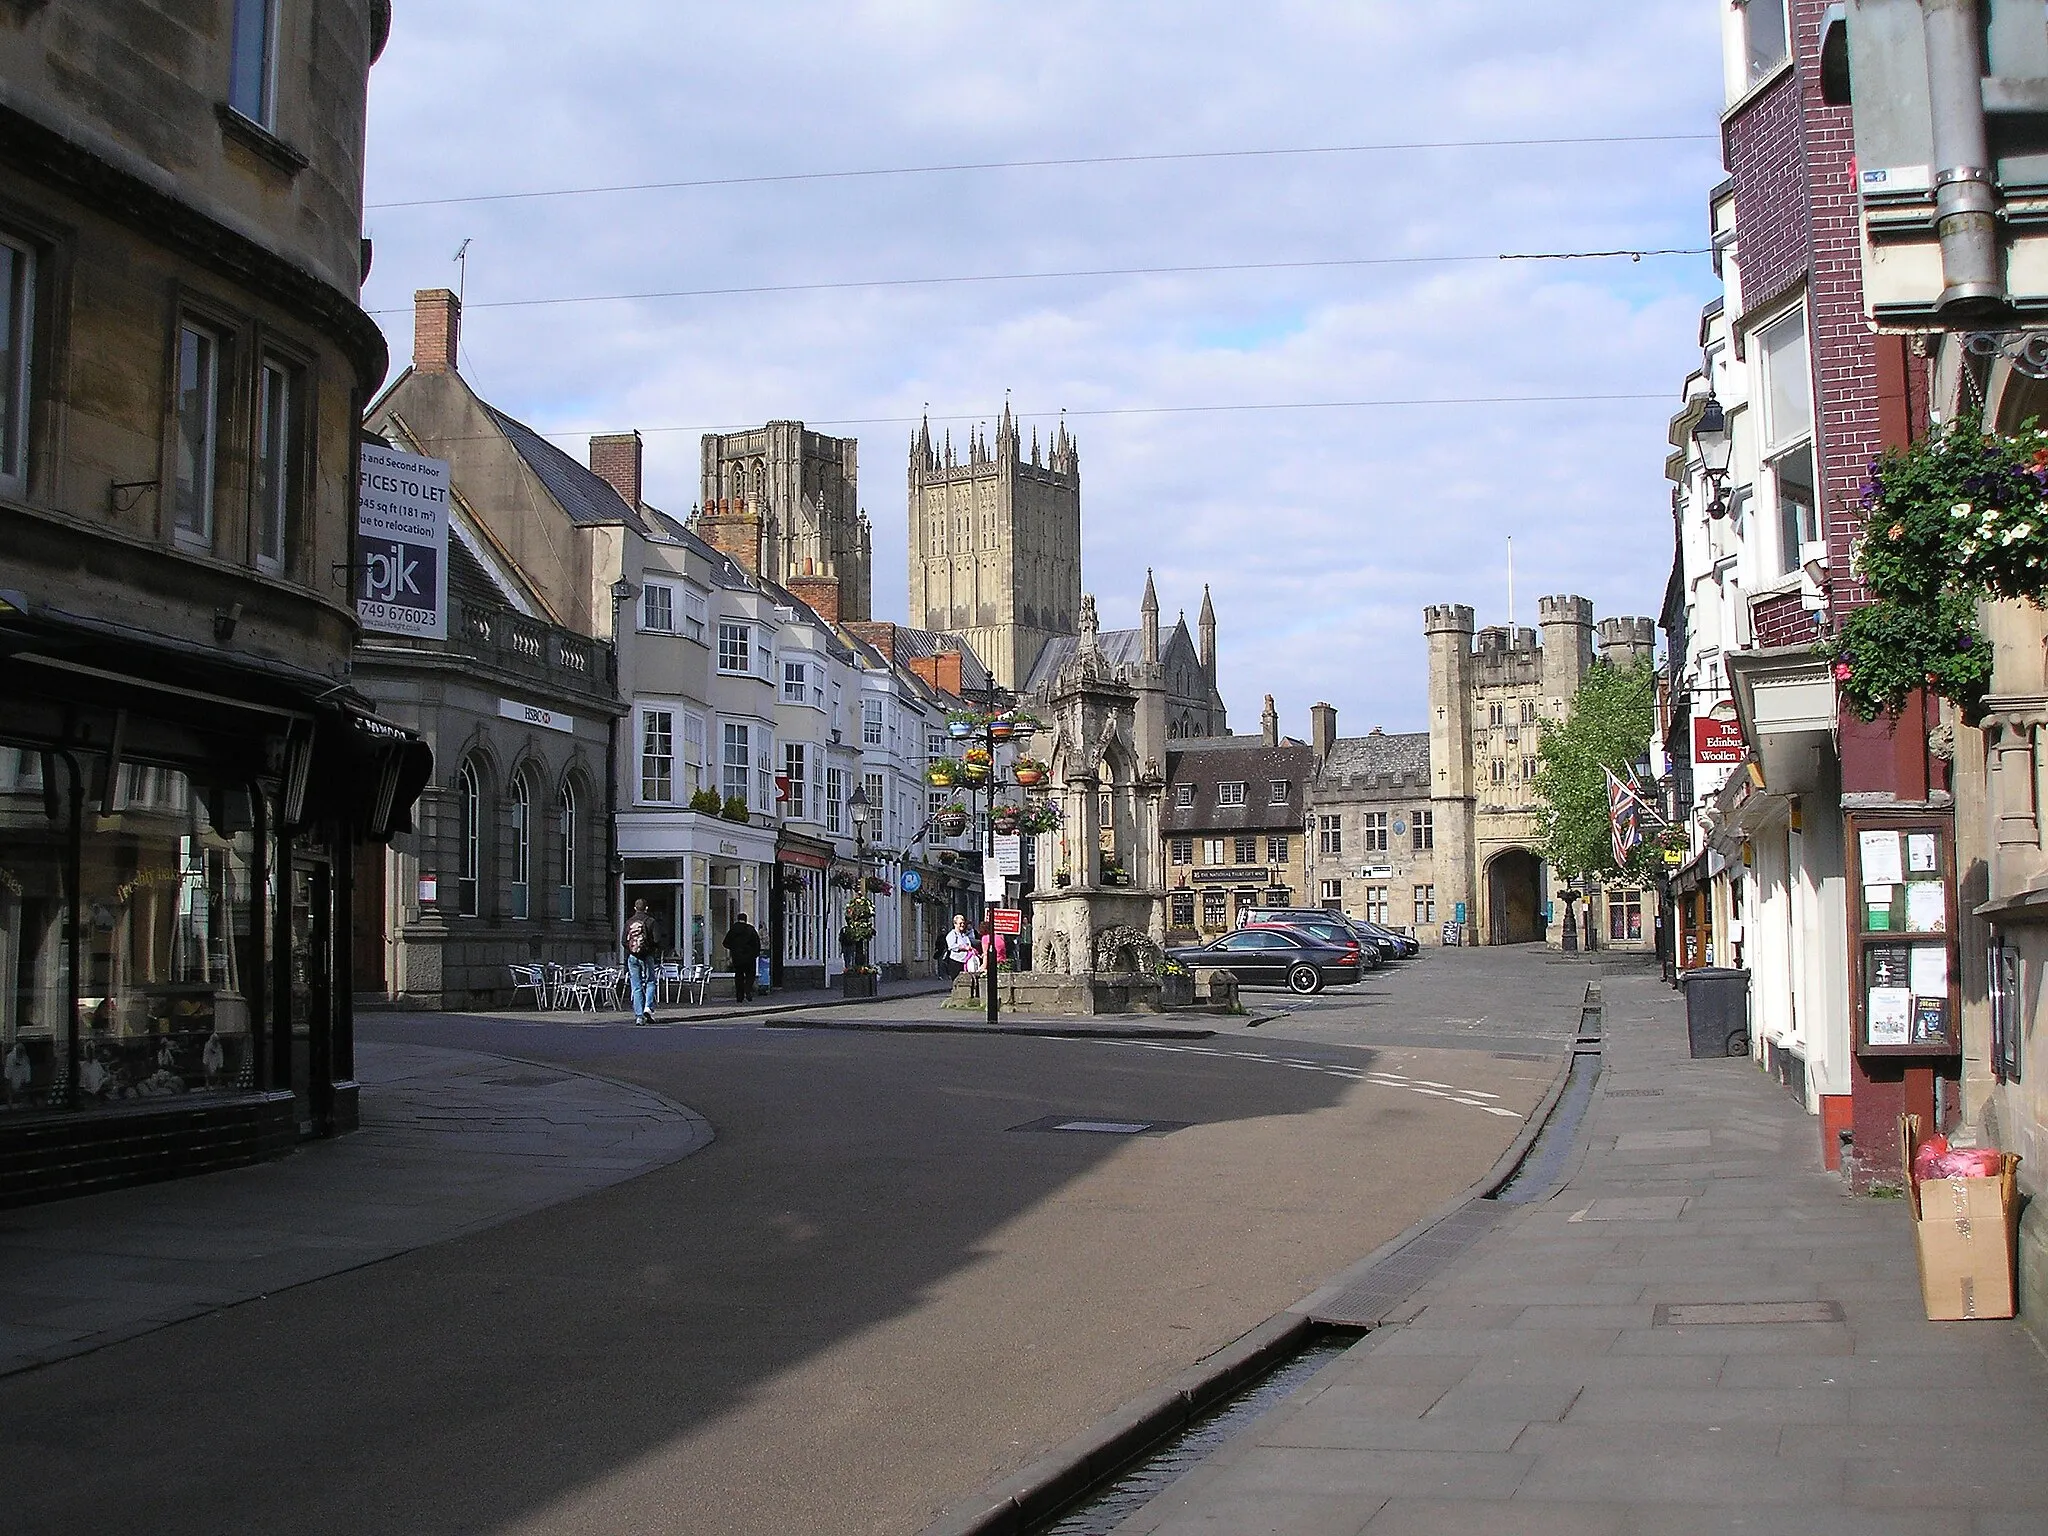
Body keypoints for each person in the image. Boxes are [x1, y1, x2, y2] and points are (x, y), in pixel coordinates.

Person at [622, 899, 660, 1026]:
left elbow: (623, 941)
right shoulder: (651, 921)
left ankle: (639, 1016)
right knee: (650, 981)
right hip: (647, 956)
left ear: (635, 908)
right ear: (646, 908)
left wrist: (632, 949)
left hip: (632, 957)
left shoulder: (629, 922)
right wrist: (650, 949)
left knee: (636, 986)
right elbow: (657, 940)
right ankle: (647, 1008)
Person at [724, 910, 763, 1002]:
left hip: (737, 958)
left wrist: (734, 949)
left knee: (739, 977)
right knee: (750, 975)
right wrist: (755, 953)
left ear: (738, 919)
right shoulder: (750, 929)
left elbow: (725, 943)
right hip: (749, 957)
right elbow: (757, 943)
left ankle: (739, 996)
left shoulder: (733, 930)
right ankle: (748, 989)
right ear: (746, 919)